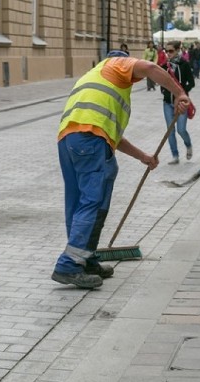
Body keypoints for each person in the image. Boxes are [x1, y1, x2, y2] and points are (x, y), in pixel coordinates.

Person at [53, 50, 190, 289]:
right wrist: (179, 92)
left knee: (79, 202)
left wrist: (143, 157)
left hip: (70, 141)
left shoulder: (93, 78)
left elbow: (112, 136)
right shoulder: (116, 65)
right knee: (91, 203)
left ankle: (85, 258)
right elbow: (150, 68)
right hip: (89, 141)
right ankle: (69, 264)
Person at [161, 40, 195, 164]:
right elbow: (161, 81)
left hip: (181, 103)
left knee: (181, 129)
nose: (168, 53)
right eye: (166, 51)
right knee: (170, 130)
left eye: (171, 51)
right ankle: (175, 156)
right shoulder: (165, 66)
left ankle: (188, 144)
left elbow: (191, 82)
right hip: (167, 103)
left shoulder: (184, 64)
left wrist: (182, 94)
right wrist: (165, 92)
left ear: (177, 50)